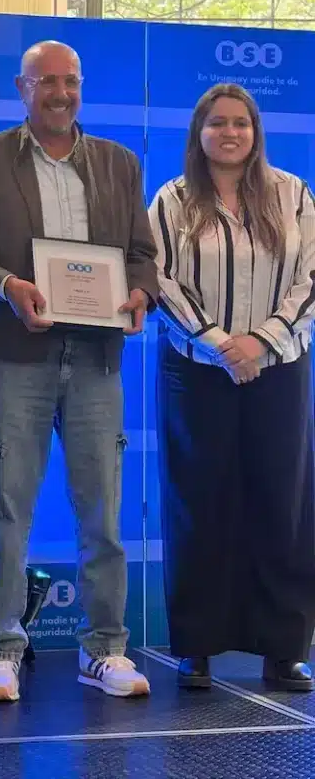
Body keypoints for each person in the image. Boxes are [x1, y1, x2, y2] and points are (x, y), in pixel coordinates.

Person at [0, 40, 157, 702]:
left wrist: (140, 294)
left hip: (97, 360)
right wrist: (11, 285)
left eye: (70, 81)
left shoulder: (120, 164)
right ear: (22, 87)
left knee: (104, 511)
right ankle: (3, 649)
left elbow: (144, 256)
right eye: (46, 83)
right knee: (6, 509)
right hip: (17, 356)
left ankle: (105, 650)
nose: (60, 94)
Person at [149, 82, 315, 692]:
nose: (230, 133)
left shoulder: (294, 194)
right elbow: (158, 278)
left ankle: (285, 649)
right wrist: (221, 343)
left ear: (256, 131)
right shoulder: (171, 200)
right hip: (196, 369)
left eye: (240, 123)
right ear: (199, 132)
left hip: (280, 366)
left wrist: (261, 341)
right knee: (199, 502)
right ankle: (197, 646)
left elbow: (311, 277)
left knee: (284, 504)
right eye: (217, 123)